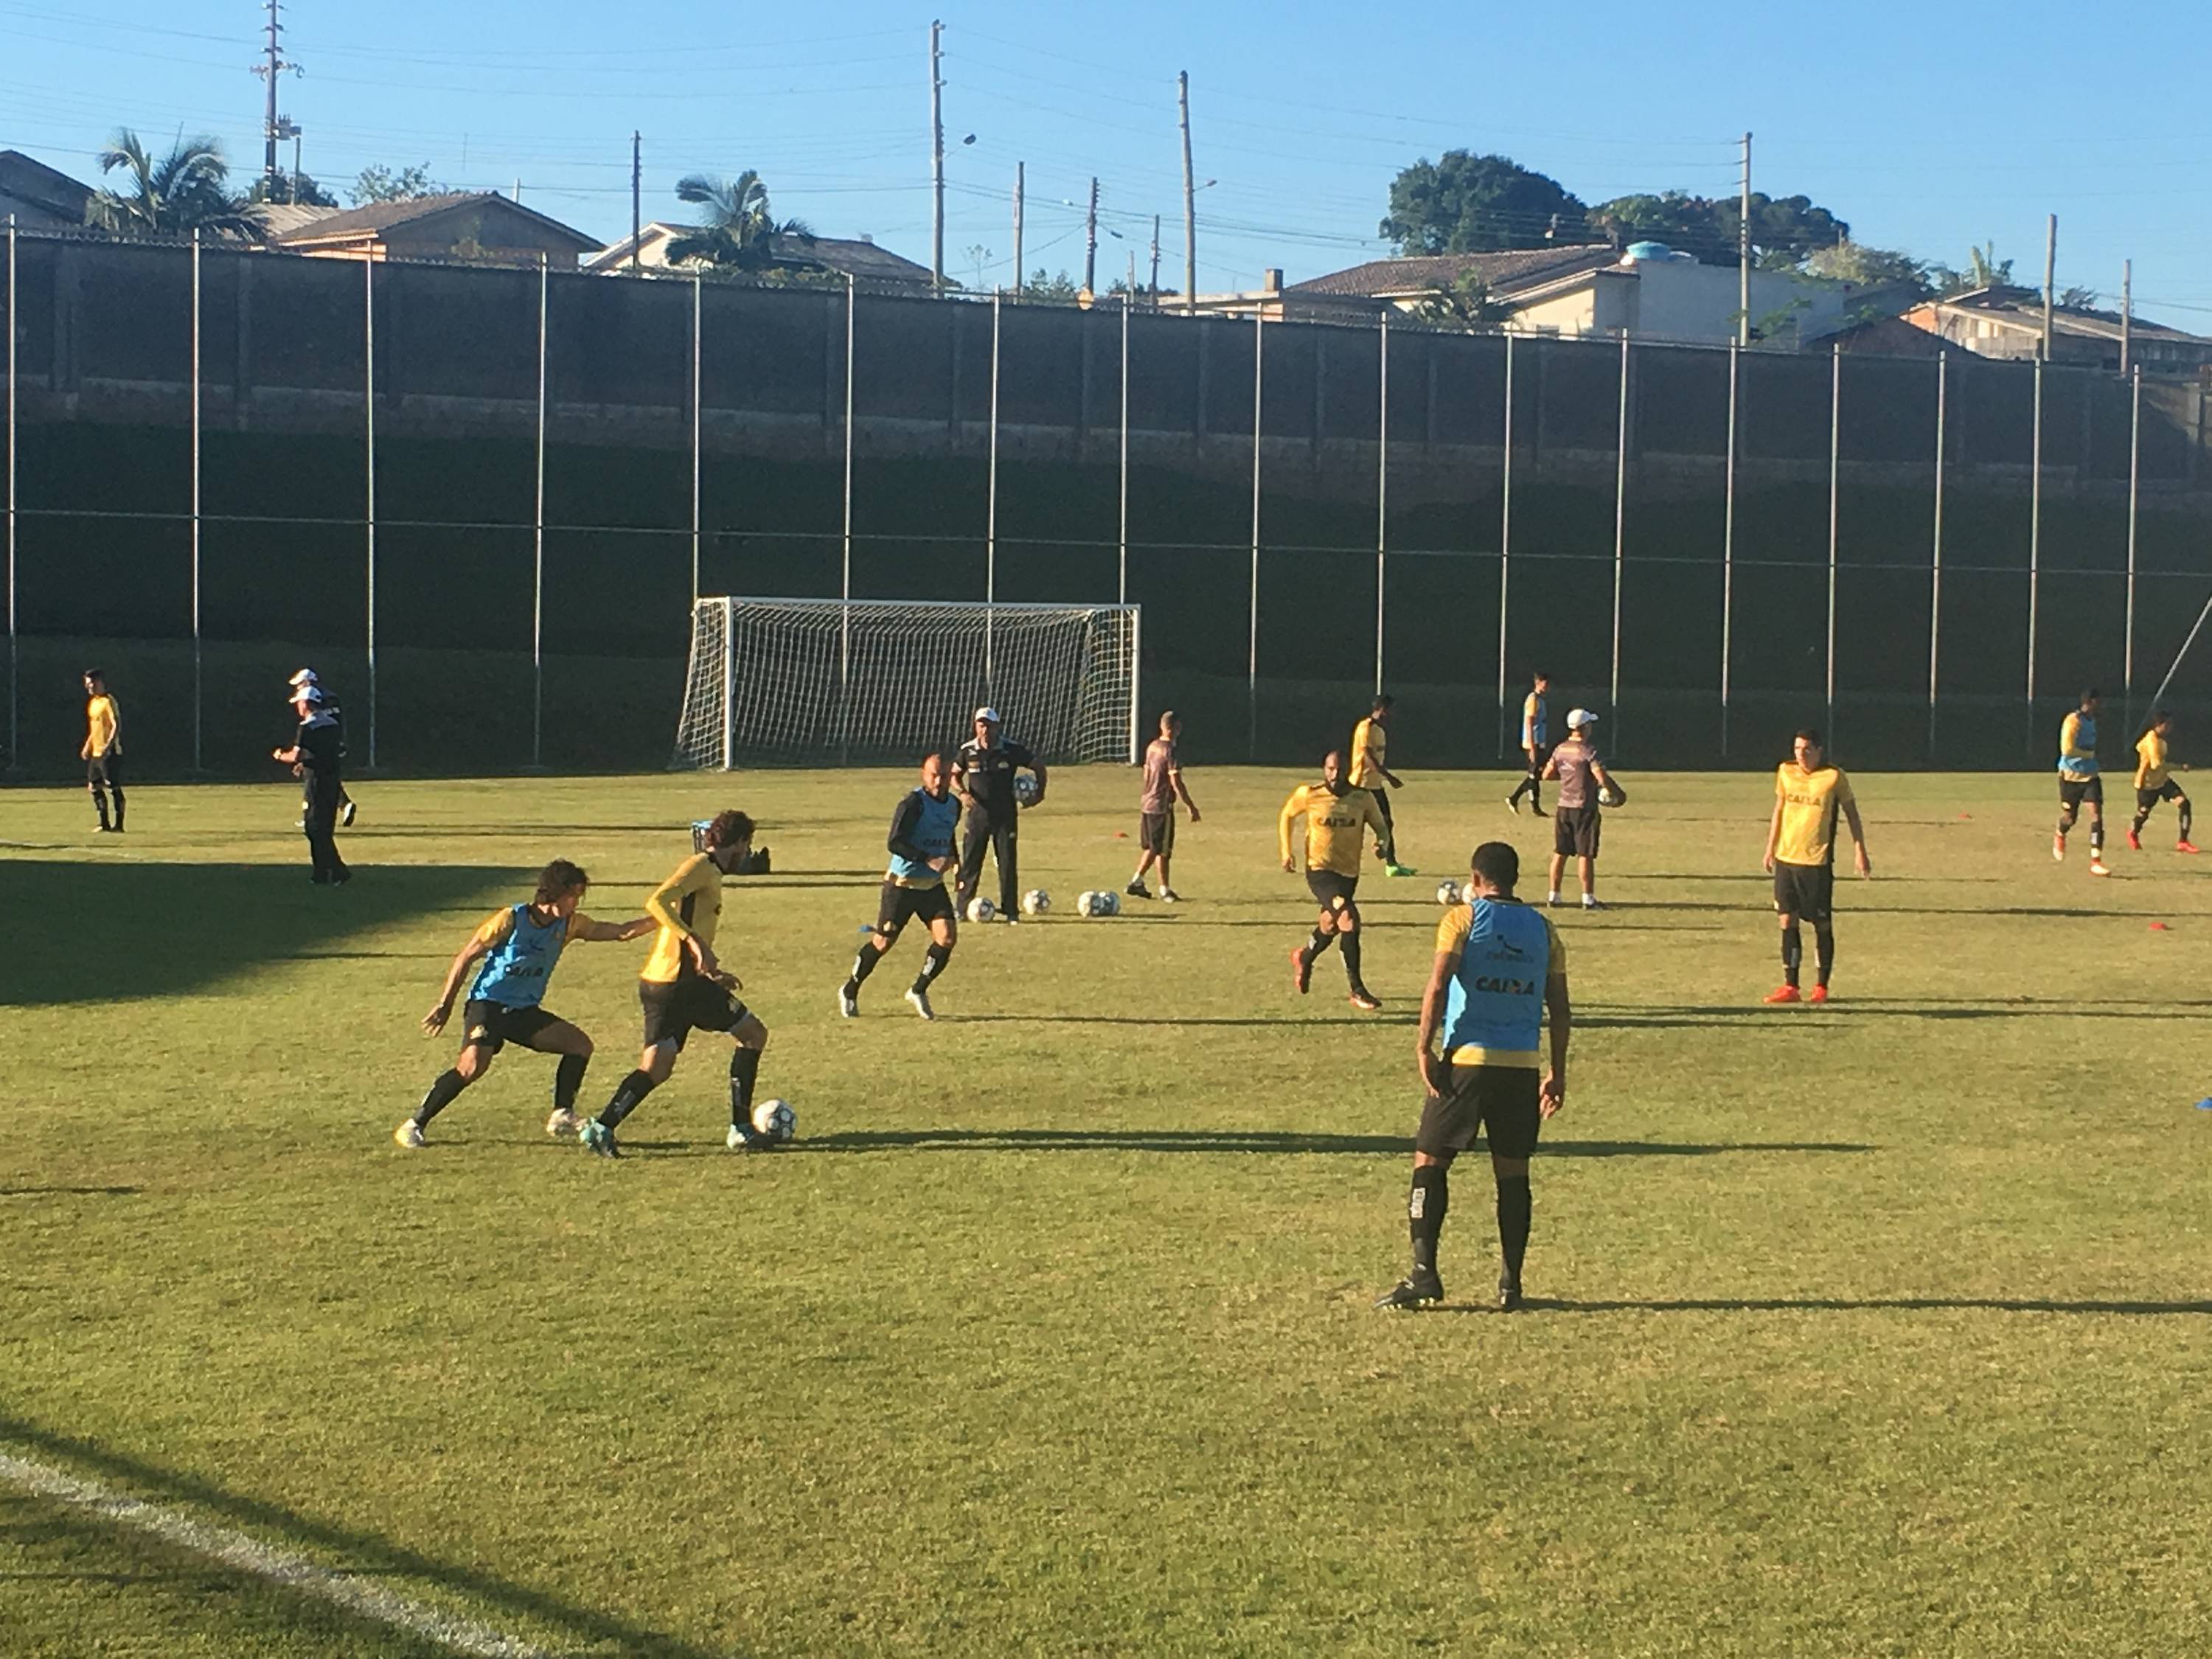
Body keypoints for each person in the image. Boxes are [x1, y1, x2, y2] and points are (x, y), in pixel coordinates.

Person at [1376, 841, 1568, 1313]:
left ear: (1476, 880)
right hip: (1521, 1067)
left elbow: (1440, 983)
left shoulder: (1462, 920)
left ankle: (1424, 1273)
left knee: (1429, 1161)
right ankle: (1512, 1284)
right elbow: (1560, 1007)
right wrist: (1557, 1072)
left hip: (1466, 1062)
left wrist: (1424, 1046)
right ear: (1515, 879)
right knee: (1513, 1173)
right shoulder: (1544, 929)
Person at [394, 860, 653, 1149]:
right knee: (472, 1067)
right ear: (555, 892)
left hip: (522, 1011)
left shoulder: (571, 924)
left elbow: (621, 932)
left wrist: (663, 918)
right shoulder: (511, 919)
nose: (576, 902)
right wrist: (446, 1004)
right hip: (488, 1003)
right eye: (573, 895)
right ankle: (415, 1123)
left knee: (579, 1045)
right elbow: (465, 957)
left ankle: (562, 1113)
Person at [581, 810, 771, 1158]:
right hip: (681, 985)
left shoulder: (709, 871)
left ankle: (602, 1127)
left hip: (662, 981)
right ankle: (740, 1129)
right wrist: (695, 943)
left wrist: (712, 971)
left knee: (657, 1067)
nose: (746, 855)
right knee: (754, 1034)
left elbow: (684, 919)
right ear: (740, 843)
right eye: (747, 847)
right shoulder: (701, 866)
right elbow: (658, 901)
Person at [842, 753, 963, 1021]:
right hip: (901, 886)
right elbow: (895, 843)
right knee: (883, 942)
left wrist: (957, 865)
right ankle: (850, 989)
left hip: (931, 887)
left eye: (944, 775)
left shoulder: (954, 805)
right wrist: (928, 859)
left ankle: (918, 990)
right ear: (923, 774)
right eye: (934, 774)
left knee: (947, 938)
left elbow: (947, 835)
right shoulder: (912, 804)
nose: (940, 780)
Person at [1762, 728, 1871, 1006]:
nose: (1801, 755)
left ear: (1820, 750)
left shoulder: (1833, 777)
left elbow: (1852, 814)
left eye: (1807, 749)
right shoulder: (1786, 772)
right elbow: (1779, 809)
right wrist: (1770, 847)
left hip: (1816, 862)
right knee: (1787, 920)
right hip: (1787, 859)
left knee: (1821, 923)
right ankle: (1791, 986)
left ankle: (1821, 986)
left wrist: (1860, 850)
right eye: (1797, 749)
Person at [1279, 749, 1391, 1012]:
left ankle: (1304, 957)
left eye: (1340, 770)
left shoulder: (1363, 798)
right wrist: (1287, 852)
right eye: (1330, 769)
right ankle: (1357, 989)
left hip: (1349, 874)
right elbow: (1287, 815)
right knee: (1349, 919)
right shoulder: (1310, 794)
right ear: (1324, 768)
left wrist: (1382, 845)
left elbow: (1382, 826)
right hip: (1320, 871)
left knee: (1330, 925)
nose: (1335, 775)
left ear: (1348, 769)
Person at [953, 706, 1046, 920]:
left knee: (1007, 863)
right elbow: (955, 775)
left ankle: (1011, 911)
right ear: (975, 726)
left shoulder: (1010, 750)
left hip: (1005, 815)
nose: (984, 729)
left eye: (988, 725)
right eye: (980, 724)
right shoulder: (968, 750)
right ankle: (962, 908)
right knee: (971, 862)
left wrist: (1039, 793)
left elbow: (1038, 766)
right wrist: (963, 794)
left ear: (997, 727)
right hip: (978, 816)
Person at [1542, 709, 1621, 911]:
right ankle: (1588, 898)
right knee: (1585, 854)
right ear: (1584, 727)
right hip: (1584, 808)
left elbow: (1547, 774)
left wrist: (1568, 777)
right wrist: (1617, 793)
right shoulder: (1588, 750)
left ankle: (1554, 896)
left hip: (1564, 807)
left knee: (1560, 853)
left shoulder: (1560, 749)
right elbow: (1601, 777)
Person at [272, 683, 349, 885]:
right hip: (333, 780)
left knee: (314, 828)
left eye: (299, 703)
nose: (297, 707)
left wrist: (281, 756)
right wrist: (304, 762)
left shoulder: (307, 727)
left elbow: (296, 754)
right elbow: (329, 751)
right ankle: (323, 873)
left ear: (306, 703)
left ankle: (336, 870)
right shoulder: (332, 724)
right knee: (324, 828)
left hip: (315, 782)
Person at [1127, 710, 1201, 902]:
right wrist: (1190, 806)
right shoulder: (1170, 750)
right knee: (1160, 848)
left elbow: (1146, 773)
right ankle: (1145, 884)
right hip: (1161, 805)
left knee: (1154, 847)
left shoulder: (1152, 747)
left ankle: (1157, 887)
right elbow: (1176, 781)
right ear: (1175, 728)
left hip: (1147, 802)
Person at [1350, 694, 1414, 877]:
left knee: (1387, 822)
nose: (1394, 713)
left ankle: (1391, 864)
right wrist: (1389, 777)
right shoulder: (1366, 728)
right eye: (1392, 709)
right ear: (1383, 710)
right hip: (1361, 785)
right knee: (1355, 827)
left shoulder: (1380, 730)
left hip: (1375, 785)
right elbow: (1368, 758)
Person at [288, 669, 358, 827]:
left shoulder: (314, 700)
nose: (298, 688)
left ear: (308, 682)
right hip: (334, 742)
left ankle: (311, 815)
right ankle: (341, 806)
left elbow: (314, 726)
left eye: (300, 684)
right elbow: (339, 722)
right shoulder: (331, 697)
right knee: (328, 777)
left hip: (318, 745)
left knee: (314, 778)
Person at [2054, 687, 2111, 877]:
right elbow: (2067, 749)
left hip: (2090, 776)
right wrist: (2089, 755)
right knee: (2070, 818)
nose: (2102, 705)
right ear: (2091, 702)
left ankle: (2096, 861)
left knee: (2096, 814)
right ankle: (2060, 833)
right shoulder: (2073, 721)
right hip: (2070, 776)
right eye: (2100, 701)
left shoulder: (2092, 721)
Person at [2129, 711, 2198, 856]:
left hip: (2163, 781)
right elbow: (2156, 765)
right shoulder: (2152, 740)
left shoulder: (2160, 740)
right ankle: (2133, 833)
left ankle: (2183, 842)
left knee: (2184, 803)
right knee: (2143, 814)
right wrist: (2180, 767)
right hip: (2147, 784)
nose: (2170, 727)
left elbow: (2139, 748)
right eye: (2167, 724)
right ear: (2158, 725)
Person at [80, 668, 125, 834]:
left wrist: (109, 745)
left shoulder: (109, 701)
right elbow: (95, 728)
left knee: (112, 786)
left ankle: (119, 825)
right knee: (94, 786)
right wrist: (88, 745)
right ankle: (103, 823)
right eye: (87, 684)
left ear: (99, 682)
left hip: (109, 752)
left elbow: (116, 725)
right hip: (96, 752)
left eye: (91, 684)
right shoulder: (93, 703)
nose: (89, 687)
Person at [1506, 670, 1552, 817]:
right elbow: (1529, 723)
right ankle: (1516, 799)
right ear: (1538, 683)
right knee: (1534, 775)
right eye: (1545, 683)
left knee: (1536, 775)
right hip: (1534, 743)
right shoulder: (1533, 699)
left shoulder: (1541, 700)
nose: (1547, 686)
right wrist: (1532, 746)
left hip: (1540, 742)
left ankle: (1531, 806)